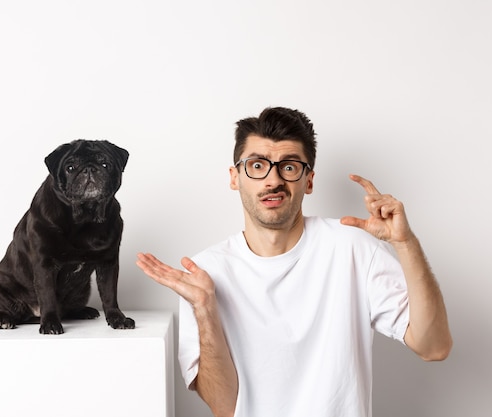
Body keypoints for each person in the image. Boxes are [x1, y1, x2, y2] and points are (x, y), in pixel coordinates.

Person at [136, 106, 452, 417]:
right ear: (235, 178)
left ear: (309, 181)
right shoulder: (204, 275)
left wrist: (405, 243)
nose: (273, 180)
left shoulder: (353, 249)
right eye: (257, 166)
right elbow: (225, 407)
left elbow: (434, 347)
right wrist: (205, 307)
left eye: (288, 167)